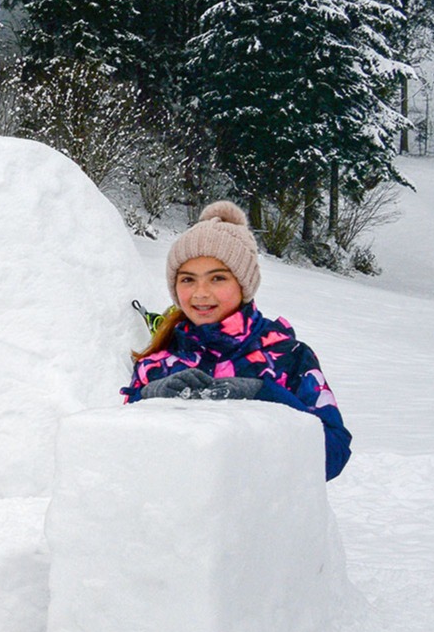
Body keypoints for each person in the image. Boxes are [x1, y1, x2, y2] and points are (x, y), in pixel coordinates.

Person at [124, 200, 351, 480]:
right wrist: (147, 397)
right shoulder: (156, 363)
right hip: (172, 521)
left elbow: (334, 456)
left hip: (260, 520)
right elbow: (126, 458)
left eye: (217, 278)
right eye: (187, 280)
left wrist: (264, 394)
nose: (200, 293)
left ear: (243, 284)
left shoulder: (288, 356)